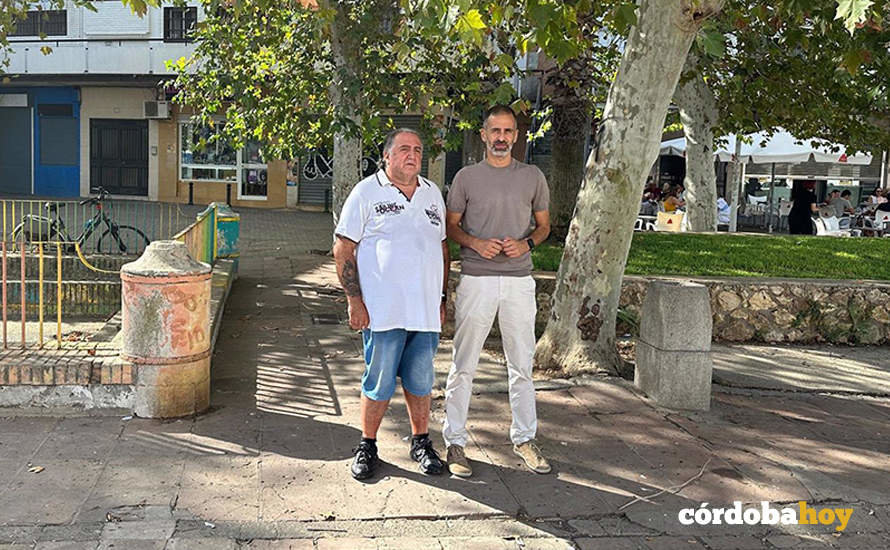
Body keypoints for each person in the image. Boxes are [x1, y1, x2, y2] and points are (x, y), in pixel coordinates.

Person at [333, 128, 449, 480]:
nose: (412, 155)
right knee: (378, 382)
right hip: (382, 312)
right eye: (403, 149)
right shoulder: (367, 191)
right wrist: (355, 300)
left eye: (417, 149)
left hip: (425, 312)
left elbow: (442, 248)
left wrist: (443, 298)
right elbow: (343, 248)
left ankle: (421, 443)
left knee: (420, 382)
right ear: (387, 156)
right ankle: (367, 446)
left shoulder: (432, 195)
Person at [442, 105, 551, 477]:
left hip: (520, 281)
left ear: (516, 136)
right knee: (464, 363)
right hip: (477, 278)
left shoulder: (533, 176)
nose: (502, 138)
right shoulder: (466, 177)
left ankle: (524, 439)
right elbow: (451, 226)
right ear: (484, 135)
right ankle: (455, 442)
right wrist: (474, 242)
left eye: (508, 131)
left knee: (522, 365)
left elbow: (544, 227)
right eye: (495, 131)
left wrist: (527, 245)